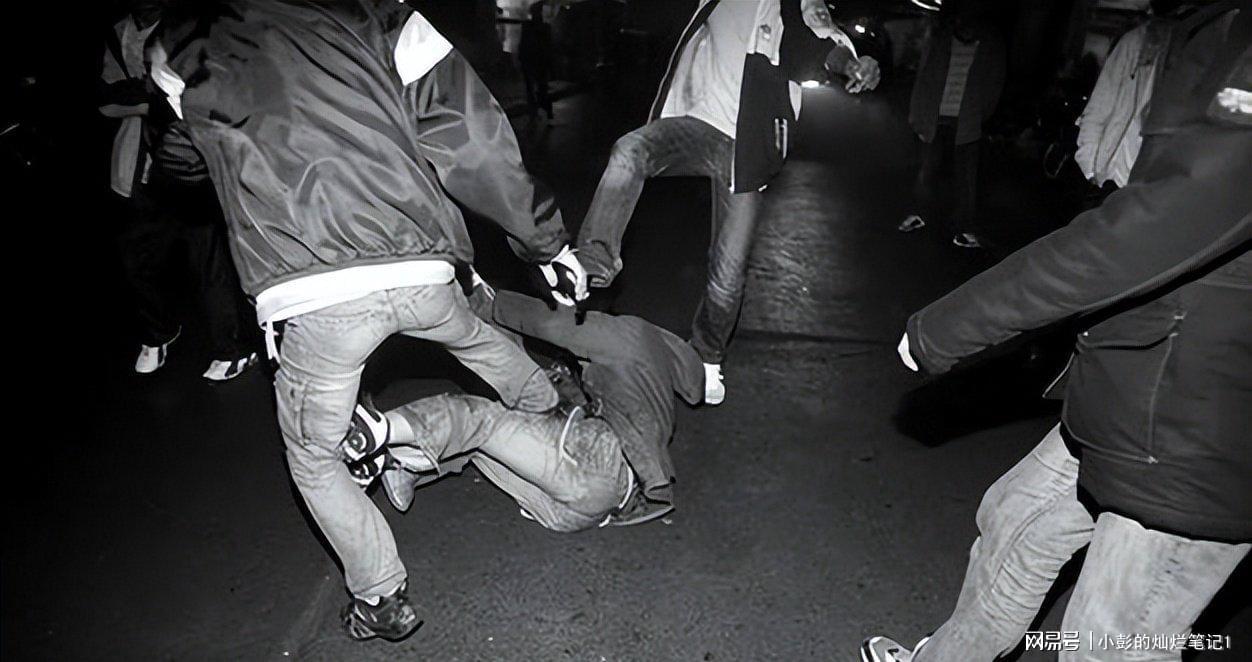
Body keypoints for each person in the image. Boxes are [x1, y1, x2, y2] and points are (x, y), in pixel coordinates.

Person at [150, 0, 590, 643]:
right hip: (417, 256)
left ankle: (380, 595)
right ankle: (553, 408)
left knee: (313, 455)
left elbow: (183, 158)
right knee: (471, 335)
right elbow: (468, 136)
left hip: (309, 286)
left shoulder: (179, 37)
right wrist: (546, 242)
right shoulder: (378, 10)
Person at [865, 3, 1251, 660]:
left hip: (1200, 429)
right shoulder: (1216, 23)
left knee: (1103, 641)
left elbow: (1158, 222)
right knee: (1014, 523)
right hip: (1137, 386)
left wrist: (951, 325)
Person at [576, 0, 881, 405]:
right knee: (630, 151)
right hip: (698, 127)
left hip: (747, 146)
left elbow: (815, 41)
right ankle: (593, 260)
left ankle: (707, 355)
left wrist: (851, 64)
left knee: (728, 268)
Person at [344, 286, 707, 539]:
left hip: (598, 469)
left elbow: (551, 324)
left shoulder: (629, 334)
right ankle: (401, 465)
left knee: (481, 420)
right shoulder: (663, 369)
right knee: (483, 439)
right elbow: (692, 383)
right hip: (574, 514)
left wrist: (489, 300)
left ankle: (379, 430)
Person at [100, 1, 256, 380]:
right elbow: (106, 101)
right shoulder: (117, 32)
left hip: (195, 163)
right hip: (139, 169)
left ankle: (233, 348)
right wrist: (149, 100)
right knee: (136, 256)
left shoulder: (188, 21)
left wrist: (148, 98)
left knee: (210, 259)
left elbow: (207, 90)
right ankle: (159, 333)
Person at [898, 0, 1005, 249]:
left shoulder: (990, 43)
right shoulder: (941, 39)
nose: (966, 23)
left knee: (966, 178)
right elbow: (924, 76)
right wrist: (917, 114)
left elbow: (995, 83)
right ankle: (919, 213)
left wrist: (980, 114)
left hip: (967, 119)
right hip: (935, 117)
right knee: (927, 169)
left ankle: (964, 227)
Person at [1074, 1, 1177, 197]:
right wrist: (1090, 168)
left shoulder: (1189, 51)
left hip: (1145, 184)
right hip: (1111, 176)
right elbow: (1101, 103)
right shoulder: (1135, 42)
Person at [519, 0, 555, 120]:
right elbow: (548, 46)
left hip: (533, 59)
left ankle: (537, 110)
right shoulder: (544, 27)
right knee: (539, 87)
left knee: (534, 87)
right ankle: (542, 110)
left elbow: (524, 43)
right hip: (537, 60)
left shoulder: (529, 26)